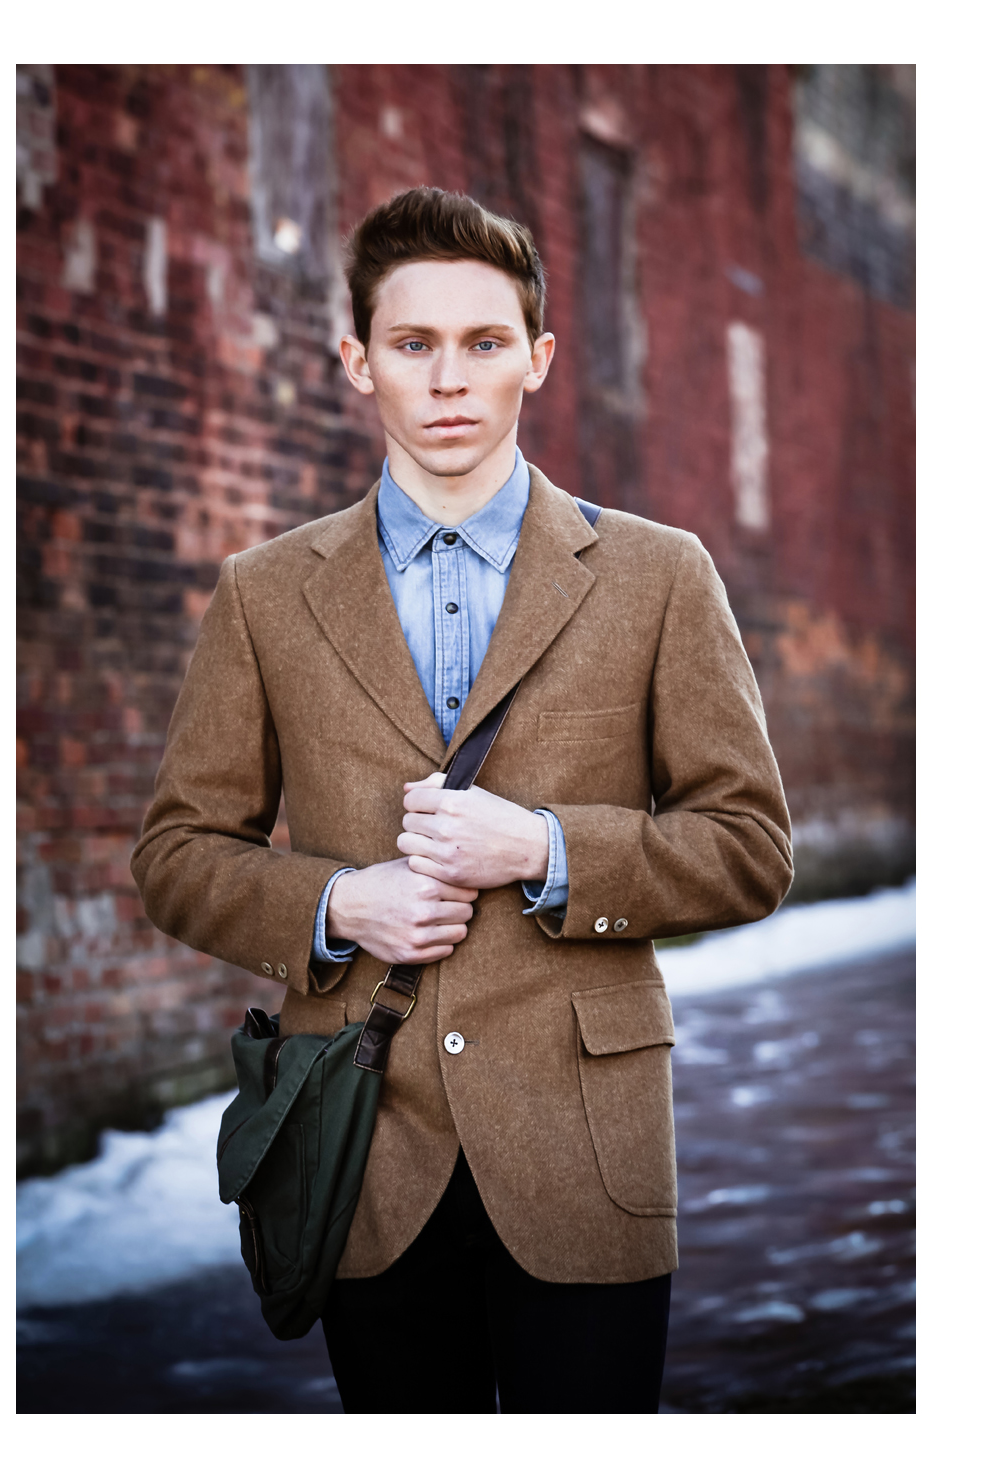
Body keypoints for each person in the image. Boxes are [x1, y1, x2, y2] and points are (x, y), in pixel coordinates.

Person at [131, 186, 792, 1414]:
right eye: (412, 344)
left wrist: (544, 849)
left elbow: (748, 847)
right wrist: (337, 904)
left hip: (583, 1150)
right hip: (362, 1152)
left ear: (537, 361)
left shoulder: (656, 576)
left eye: (485, 343)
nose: (449, 380)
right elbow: (177, 853)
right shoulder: (265, 594)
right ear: (355, 362)